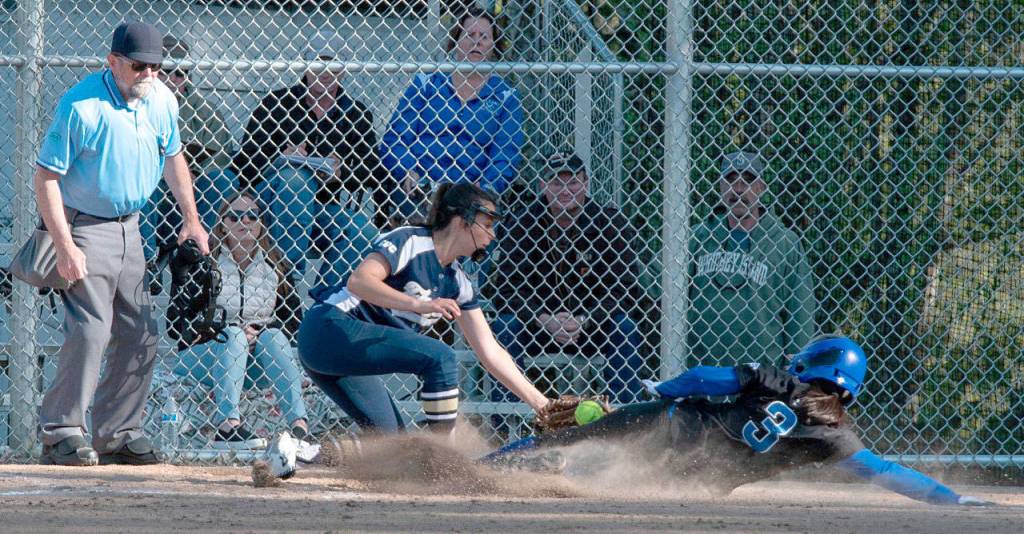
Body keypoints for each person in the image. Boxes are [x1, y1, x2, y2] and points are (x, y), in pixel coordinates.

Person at [484, 335, 993, 507]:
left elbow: (707, 377)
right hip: (701, 481)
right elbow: (888, 474)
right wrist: (950, 498)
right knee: (611, 477)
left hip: (676, 426)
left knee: (578, 437)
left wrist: (661, 389)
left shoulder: (779, 381)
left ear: (811, 366)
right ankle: (553, 481)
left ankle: (491, 467)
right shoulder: (835, 437)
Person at [33, 21, 209, 466]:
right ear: (112, 62)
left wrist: (192, 219)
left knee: (141, 334)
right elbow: (46, 178)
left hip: (134, 228)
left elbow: (173, 156)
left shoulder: (162, 100)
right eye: (139, 67)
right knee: (92, 330)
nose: (150, 75)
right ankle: (61, 432)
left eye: (157, 67)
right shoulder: (81, 105)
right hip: (85, 225)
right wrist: (67, 246)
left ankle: (118, 433)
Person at [297, 182, 551, 434]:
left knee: (394, 445)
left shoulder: (457, 282)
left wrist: (542, 405)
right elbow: (360, 281)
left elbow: (490, 351)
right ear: (464, 220)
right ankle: (442, 455)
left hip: (350, 353)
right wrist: (419, 304)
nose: (492, 235)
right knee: (441, 357)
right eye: (486, 225)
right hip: (330, 330)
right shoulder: (411, 240)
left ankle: (298, 456)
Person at [216, 30, 385, 290]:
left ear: (343, 69)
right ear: (306, 65)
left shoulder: (355, 113)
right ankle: (286, 284)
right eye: (318, 62)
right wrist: (279, 159)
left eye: (332, 63)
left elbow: (372, 171)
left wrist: (342, 172)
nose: (325, 70)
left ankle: (326, 301)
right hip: (269, 205)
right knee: (295, 178)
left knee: (363, 232)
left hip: (319, 210)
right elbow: (244, 164)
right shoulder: (278, 103)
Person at [489, 151, 644, 403]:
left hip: (592, 324)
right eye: (556, 182)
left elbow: (625, 290)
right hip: (538, 324)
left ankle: (624, 420)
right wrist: (544, 319)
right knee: (505, 326)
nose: (565, 189)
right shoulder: (522, 222)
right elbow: (506, 290)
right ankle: (507, 423)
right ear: (543, 185)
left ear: (585, 183)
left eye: (572, 181)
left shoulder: (609, 222)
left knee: (625, 327)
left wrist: (585, 319)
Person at [172, 191, 309, 450]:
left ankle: (298, 426)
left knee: (274, 336)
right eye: (234, 216)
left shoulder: (276, 265)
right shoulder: (204, 262)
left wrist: (259, 332)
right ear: (222, 223)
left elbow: (293, 323)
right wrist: (221, 331)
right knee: (234, 335)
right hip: (204, 356)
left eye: (251, 216)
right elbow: (177, 324)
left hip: (255, 358)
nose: (243, 222)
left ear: (261, 223)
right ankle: (227, 426)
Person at [380, 6, 524, 224]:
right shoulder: (427, 84)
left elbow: (505, 154)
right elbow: (395, 138)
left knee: (478, 223)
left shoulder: (505, 96)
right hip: (421, 187)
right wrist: (407, 170)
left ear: (494, 46)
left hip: (472, 192)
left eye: (484, 36)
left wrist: (483, 190)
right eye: (469, 35)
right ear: (456, 41)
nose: (476, 41)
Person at [688, 151, 815, 366]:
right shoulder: (697, 236)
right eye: (730, 180)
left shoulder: (784, 243)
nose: (738, 189)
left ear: (761, 188)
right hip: (701, 371)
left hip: (761, 378)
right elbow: (655, 282)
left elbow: (800, 315)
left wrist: (795, 370)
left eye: (747, 181)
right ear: (720, 186)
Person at [142, 34, 234, 263]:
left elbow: (221, 156)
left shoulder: (205, 112)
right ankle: (146, 262)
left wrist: (194, 174)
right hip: (153, 193)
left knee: (223, 179)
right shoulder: (135, 106)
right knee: (146, 183)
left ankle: (197, 257)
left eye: (180, 73)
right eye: (165, 72)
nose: (173, 79)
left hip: (195, 194)